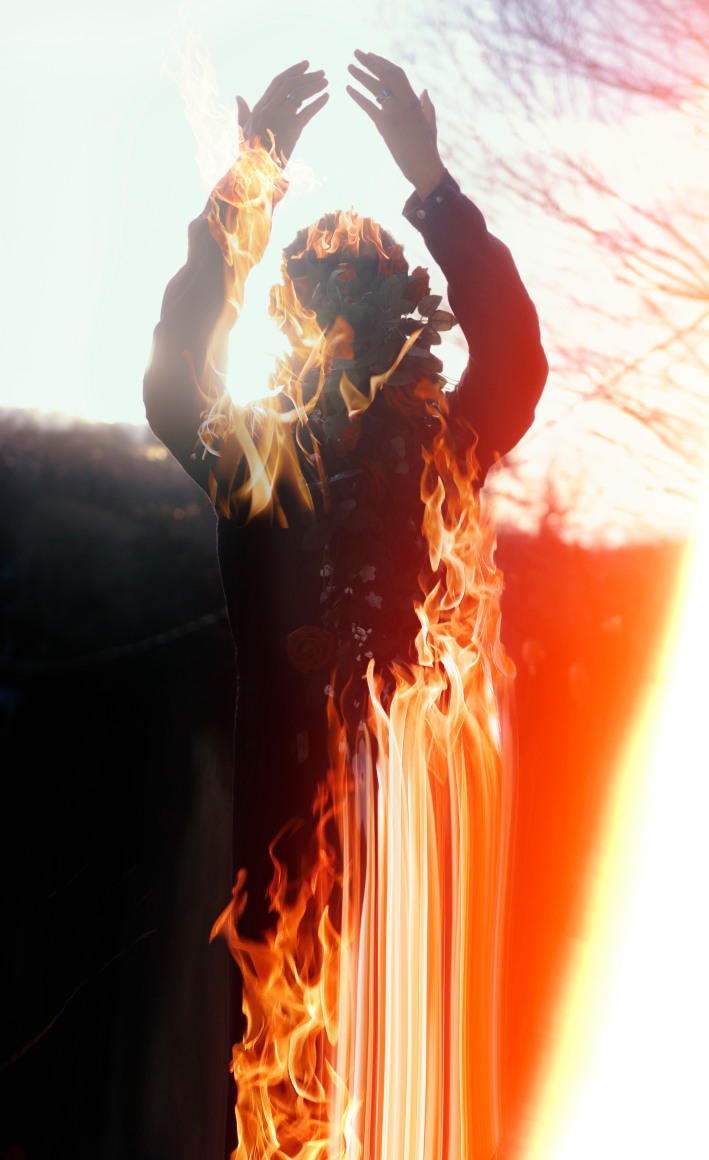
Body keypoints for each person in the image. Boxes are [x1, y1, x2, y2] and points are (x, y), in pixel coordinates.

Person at [144, 51, 547, 1157]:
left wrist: (434, 188)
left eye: (368, 297)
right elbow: (177, 374)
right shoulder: (261, 463)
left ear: (404, 322)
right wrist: (250, 183)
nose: (348, 323)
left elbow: (512, 356)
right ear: (299, 322)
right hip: (287, 866)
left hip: (421, 858)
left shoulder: (441, 449)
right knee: (289, 1115)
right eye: (326, 294)